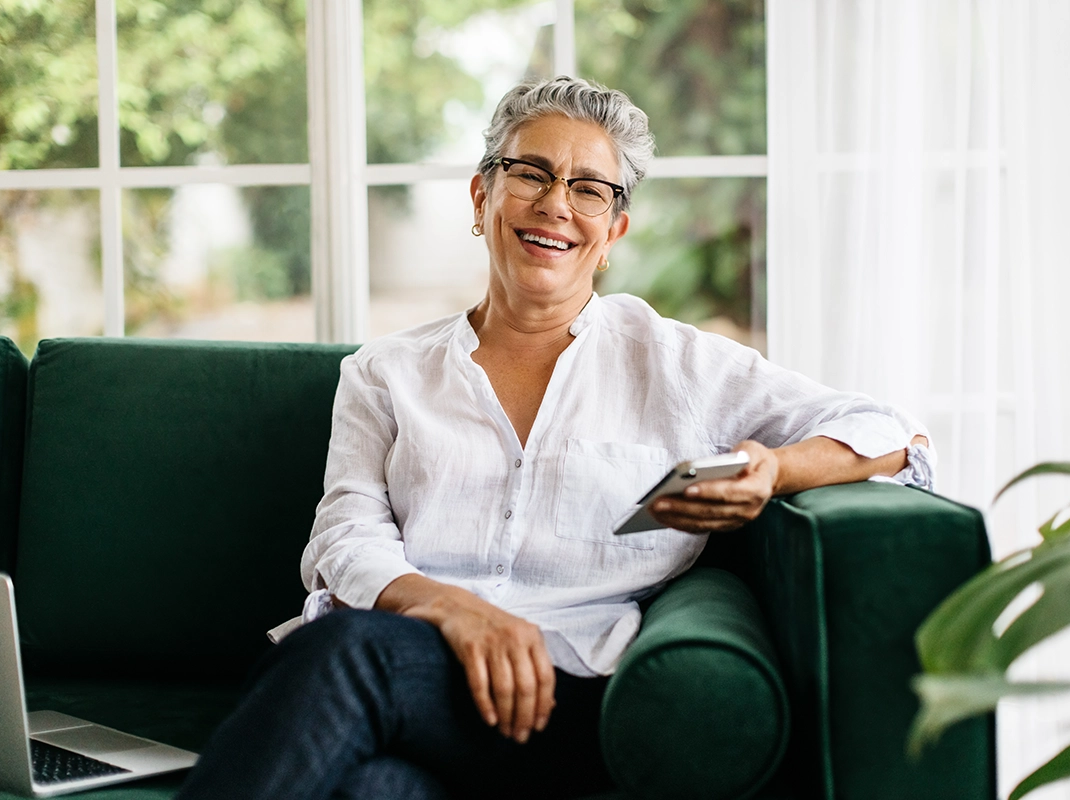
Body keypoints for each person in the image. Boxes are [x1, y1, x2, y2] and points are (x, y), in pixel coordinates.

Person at [176, 76, 933, 800]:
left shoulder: (678, 364)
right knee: (374, 790)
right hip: (409, 673)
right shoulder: (385, 372)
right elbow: (344, 535)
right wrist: (450, 608)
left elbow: (892, 432)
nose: (556, 205)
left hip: (558, 697)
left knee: (344, 653)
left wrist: (773, 469)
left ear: (613, 231)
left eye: (589, 188)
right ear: (483, 196)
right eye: (531, 173)